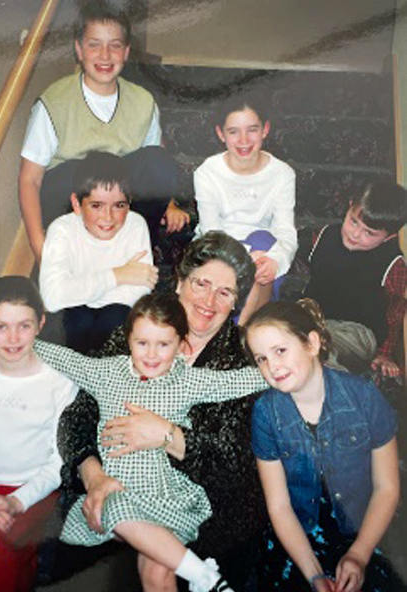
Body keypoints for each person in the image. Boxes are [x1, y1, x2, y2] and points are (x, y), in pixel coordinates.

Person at [56, 231, 268, 592]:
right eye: (201, 283)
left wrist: (168, 435)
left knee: (158, 565)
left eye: (225, 292)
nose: (209, 300)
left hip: (198, 504)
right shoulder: (137, 334)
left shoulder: (241, 360)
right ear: (180, 282)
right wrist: (94, 478)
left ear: (236, 303)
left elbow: (236, 462)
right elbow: (77, 417)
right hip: (120, 485)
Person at [244, 299, 404, 592]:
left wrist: (359, 554)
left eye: (280, 350)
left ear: (312, 343)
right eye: (261, 358)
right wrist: (315, 574)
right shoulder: (266, 412)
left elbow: (387, 488)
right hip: (299, 533)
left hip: (364, 528)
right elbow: (279, 506)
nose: (272, 366)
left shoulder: (365, 397)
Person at [19, 0, 189, 261]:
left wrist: (169, 204)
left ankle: (135, 248)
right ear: (79, 49)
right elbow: (30, 179)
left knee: (158, 160)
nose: (105, 55)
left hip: (120, 194)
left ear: (127, 52)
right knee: (76, 173)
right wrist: (37, 243)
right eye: (94, 44)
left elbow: (152, 162)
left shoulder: (144, 101)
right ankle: (83, 251)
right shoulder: (53, 102)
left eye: (115, 46)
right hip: (72, 194)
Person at [0, 276, 78, 592]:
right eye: (1, 327)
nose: (13, 338)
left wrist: (14, 501)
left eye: (23, 325)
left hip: (34, 492)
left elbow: (59, 460)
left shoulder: (60, 382)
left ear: (40, 323)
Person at [39, 152, 158, 354]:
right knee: (76, 319)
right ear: (77, 204)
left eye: (119, 206)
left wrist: (82, 290)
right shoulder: (61, 229)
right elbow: (52, 298)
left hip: (115, 312)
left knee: (115, 319)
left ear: (130, 202)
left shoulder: (135, 224)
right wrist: (118, 275)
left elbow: (141, 289)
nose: (108, 217)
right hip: (74, 316)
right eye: (96, 206)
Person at [194, 93, 297, 323]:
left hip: (265, 256)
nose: (243, 140)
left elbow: (285, 231)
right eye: (233, 131)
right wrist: (245, 260)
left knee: (263, 238)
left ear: (265, 129)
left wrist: (276, 261)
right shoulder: (207, 172)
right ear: (221, 133)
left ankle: (235, 331)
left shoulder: (282, 174)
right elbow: (212, 233)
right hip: (217, 251)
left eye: (252, 129)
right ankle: (240, 333)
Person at [304, 180, 407, 378]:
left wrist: (384, 354)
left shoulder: (393, 263)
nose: (355, 234)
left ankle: (319, 370)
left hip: (357, 332)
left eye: (369, 233)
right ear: (350, 206)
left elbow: (395, 310)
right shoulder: (325, 235)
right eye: (353, 221)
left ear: (389, 237)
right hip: (314, 316)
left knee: (330, 346)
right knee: (282, 325)